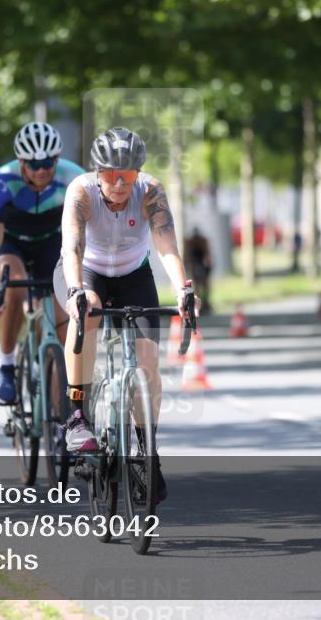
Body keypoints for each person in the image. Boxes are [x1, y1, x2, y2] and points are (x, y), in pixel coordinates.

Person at [54, 127, 199, 503]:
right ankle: (76, 416)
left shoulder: (150, 191)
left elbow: (165, 244)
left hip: (135, 274)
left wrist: (183, 289)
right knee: (88, 313)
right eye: (110, 175)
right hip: (89, 271)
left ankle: (146, 450)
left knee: (148, 362)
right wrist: (75, 291)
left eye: (128, 175)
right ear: (97, 172)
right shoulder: (82, 192)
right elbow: (72, 246)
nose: (119, 184)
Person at [0, 121, 85, 405]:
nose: (41, 171)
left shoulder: (74, 177)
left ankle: (62, 416)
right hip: (12, 243)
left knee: (64, 315)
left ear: (57, 159)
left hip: (52, 244)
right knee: (13, 289)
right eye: (34, 164)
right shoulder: (0, 181)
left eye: (48, 163)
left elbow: (91, 233)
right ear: (21, 162)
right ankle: (6, 363)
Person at [184, 226, 212, 315]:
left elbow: (207, 255)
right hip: (195, 266)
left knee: (203, 286)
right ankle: (201, 304)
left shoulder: (201, 241)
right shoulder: (191, 242)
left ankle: (205, 303)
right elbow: (187, 256)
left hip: (200, 266)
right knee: (198, 286)